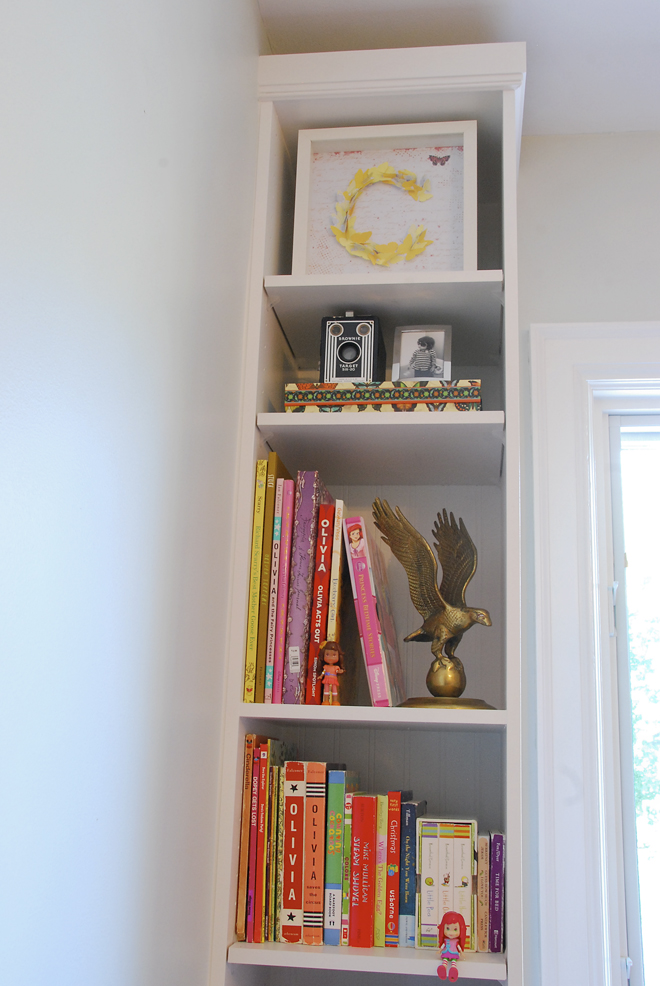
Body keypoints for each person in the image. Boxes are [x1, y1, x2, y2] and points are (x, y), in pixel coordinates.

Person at [437, 911, 466, 981]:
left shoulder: (456, 941)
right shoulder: (446, 940)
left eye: (455, 929)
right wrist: (440, 950)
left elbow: (458, 947)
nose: (451, 933)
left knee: (453, 961)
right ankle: (443, 967)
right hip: (446, 952)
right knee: (445, 960)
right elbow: (443, 945)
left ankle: (453, 969)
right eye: (447, 929)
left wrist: (461, 952)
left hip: (454, 953)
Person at [319, 640, 344, 705]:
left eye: (334, 655)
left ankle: (335, 701)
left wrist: (340, 671)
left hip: (333, 679)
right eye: (327, 654)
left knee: (334, 689)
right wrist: (321, 676)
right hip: (327, 678)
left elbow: (337, 671)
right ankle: (326, 701)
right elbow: (323, 672)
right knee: (326, 689)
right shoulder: (325, 666)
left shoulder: (335, 667)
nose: (330, 658)